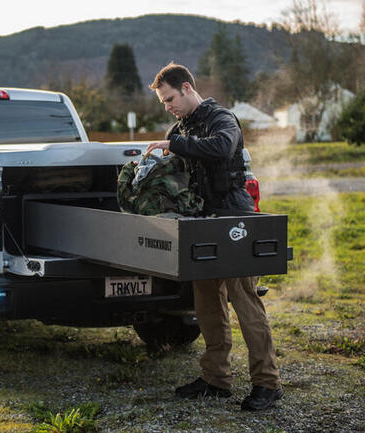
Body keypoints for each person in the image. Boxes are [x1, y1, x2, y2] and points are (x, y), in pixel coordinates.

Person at [145, 62, 283, 411]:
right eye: (163, 102)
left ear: (188, 88)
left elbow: (221, 148)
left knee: (245, 301)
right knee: (206, 302)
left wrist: (174, 143)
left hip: (234, 217)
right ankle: (215, 379)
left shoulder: (222, 119)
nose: (168, 106)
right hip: (202, 221)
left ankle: (267, 383)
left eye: (170, 98)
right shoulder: (181, 126)